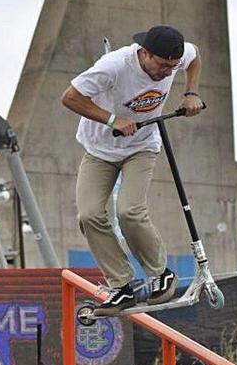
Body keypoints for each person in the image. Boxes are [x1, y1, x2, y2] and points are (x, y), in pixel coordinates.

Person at [61, 25, 204, 316]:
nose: (167, 73)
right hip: (100, 149)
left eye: (172, 68)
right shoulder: (113, 66)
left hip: (142, 146)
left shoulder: (177, 58)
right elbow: (70, 97)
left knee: (129, 212)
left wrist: (191, 93)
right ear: (145, 53)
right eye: (162, 66)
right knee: (89, 215)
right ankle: (122, 286)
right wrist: (112, 119)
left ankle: (160, 273)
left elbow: (196, 54)